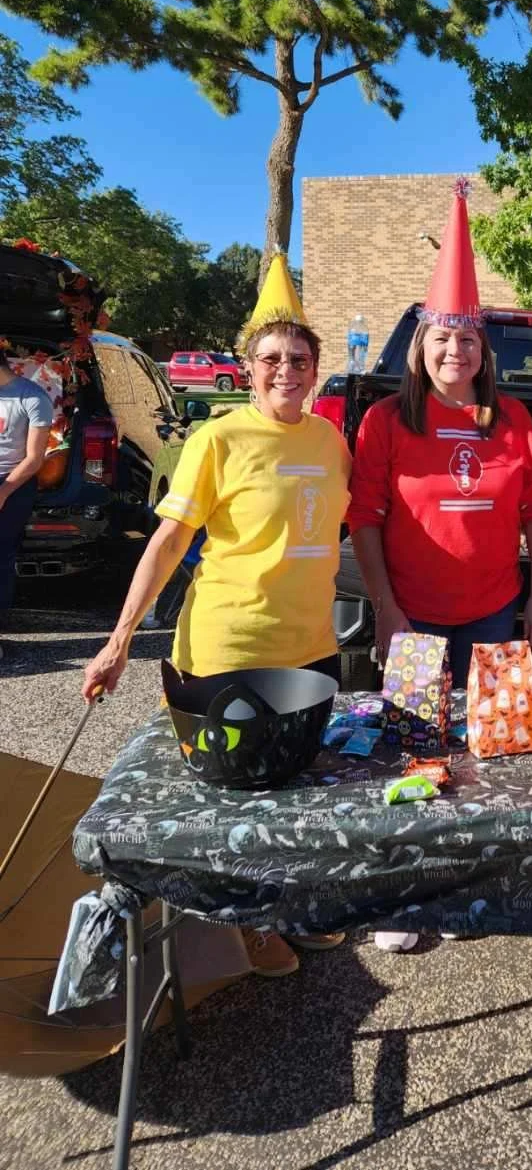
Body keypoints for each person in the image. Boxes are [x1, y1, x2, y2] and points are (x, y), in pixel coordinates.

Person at [82, 257, 351, 979]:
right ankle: (248, 924)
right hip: (229, 646)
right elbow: (169, 541)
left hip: (312, 646)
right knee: (234, 801)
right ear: (247, 366)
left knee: (294, 788)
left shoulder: (330, 441)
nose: (285, 369)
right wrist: (117, 640)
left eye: (298, 358)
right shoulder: (217, 439)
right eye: (271, 358)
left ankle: (285, 907)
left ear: (316, 367)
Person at [348, 178, 532, 953]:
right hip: (413, 611)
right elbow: (363, 518)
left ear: (481, 349)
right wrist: (386, 607)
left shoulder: (511, 420)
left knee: (486, 741)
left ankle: (472, 882)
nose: (453, 351)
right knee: (412, 743)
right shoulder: (384, 419)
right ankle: (406, 891)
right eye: (441, 338)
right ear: (421, 345)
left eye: (466, 339)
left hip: (494, 608)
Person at [0, 345, 52, 663]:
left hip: (13, 481)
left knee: (1, 557)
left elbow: (34, 459)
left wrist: (4, 491)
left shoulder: (31, 397)